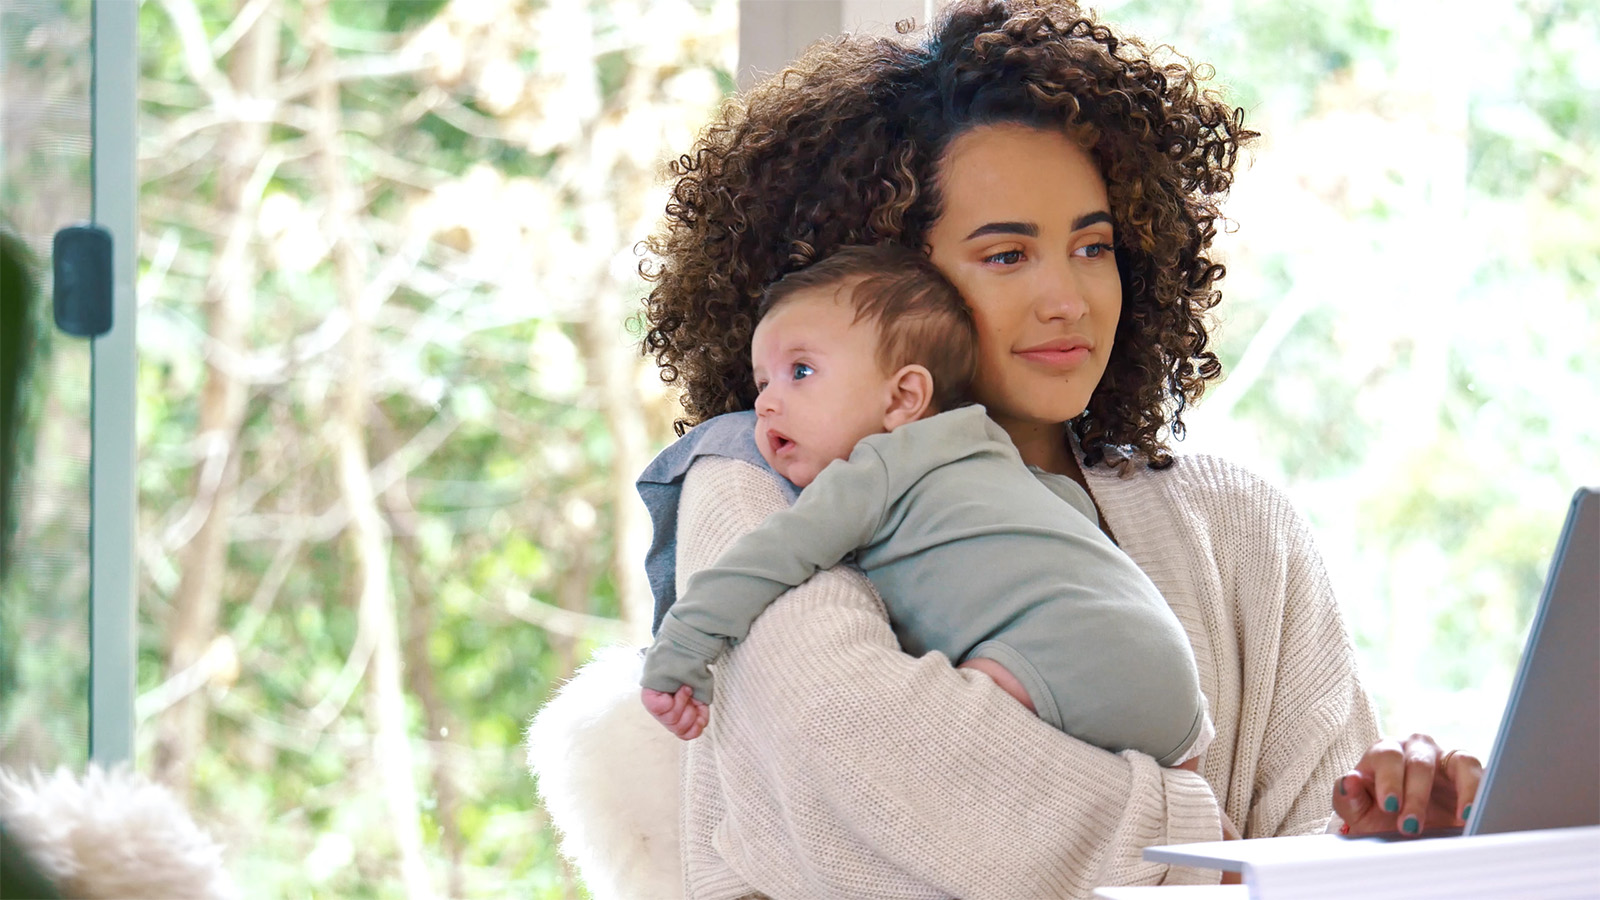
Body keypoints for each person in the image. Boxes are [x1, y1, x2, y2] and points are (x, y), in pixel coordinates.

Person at [530, 1, 1487, 895]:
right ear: (893, 283)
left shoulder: (1238, 522)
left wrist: (1384, 848)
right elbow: (869, 765)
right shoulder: (757, 474)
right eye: (1005, 254)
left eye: (1094, 245)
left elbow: (1299, 860)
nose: (1068, 296)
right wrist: (1199, 841)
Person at [639, 244, 1212, 772]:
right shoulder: (1000, 456)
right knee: (1195, 837)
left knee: (928, 749)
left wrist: (682, 647)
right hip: (1171, 676)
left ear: (904, 397)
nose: (764, 404)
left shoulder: (875, 471)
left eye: (801, 372)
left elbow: (767, 558)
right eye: (762, 383)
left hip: (1056, 658)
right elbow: (1075, 520)